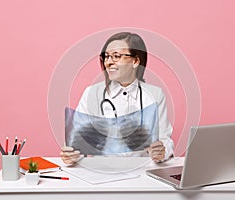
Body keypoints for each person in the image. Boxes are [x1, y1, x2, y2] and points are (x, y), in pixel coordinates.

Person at [60, 32, 174, 164]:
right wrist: (71, 154)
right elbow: (78, 142)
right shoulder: (92, 93)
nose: (108, 62)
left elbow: (165, 140)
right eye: (106, 57)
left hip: (142, 170)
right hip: (102, 172)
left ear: (136, 61)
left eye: (116, 56)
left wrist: (161, 151)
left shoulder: (155, 94)